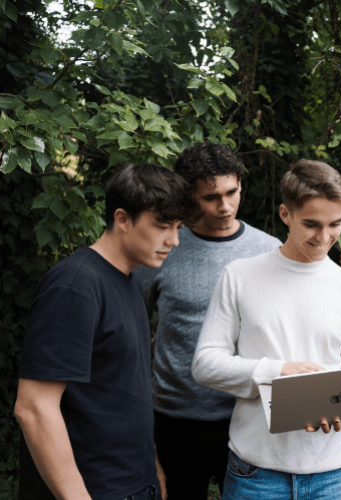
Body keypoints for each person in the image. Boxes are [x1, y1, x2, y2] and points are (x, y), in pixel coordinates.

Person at [192, 159, 341, 500]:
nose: (324, 237)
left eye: (335, 224)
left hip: (331, 475)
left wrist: (337, 406)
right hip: (256, 472)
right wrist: (278, 372)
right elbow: (205, 365)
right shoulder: (240, 275)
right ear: (285, 214)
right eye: (311, 224)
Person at [14, 163, 195, 500]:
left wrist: (150, 465)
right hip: (94, 489)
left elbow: (125, 389)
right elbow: (34, 407)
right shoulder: (75, 286)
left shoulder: (130, 279)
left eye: (178, 226)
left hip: (135, 482)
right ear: (122, 219)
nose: (174, 240)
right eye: (162, 226)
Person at [133, 144, 281, 499]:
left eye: (232, 193)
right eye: (211, 197)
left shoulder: (270, 250)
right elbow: (131, 331)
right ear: (190, 196)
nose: (225, 206)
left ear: (242, 185)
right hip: (174, 418)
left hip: (246, 412)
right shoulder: (164, 247)